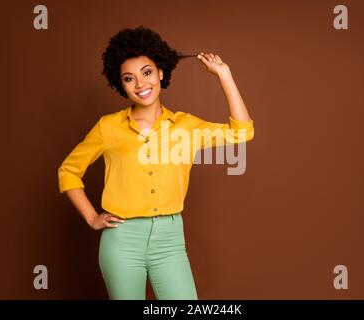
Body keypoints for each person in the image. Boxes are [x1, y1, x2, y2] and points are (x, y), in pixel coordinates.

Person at [57, 25, 254, 300]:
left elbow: (242, 132)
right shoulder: (108, 127)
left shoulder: (186, 127)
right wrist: (92, 217)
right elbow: (68, 172)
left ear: (161, 72)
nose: (140, 84)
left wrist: (224, 75)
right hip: (121, 240)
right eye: (129, 78)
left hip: (170, 240)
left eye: (147, 73)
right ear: (121, 84)